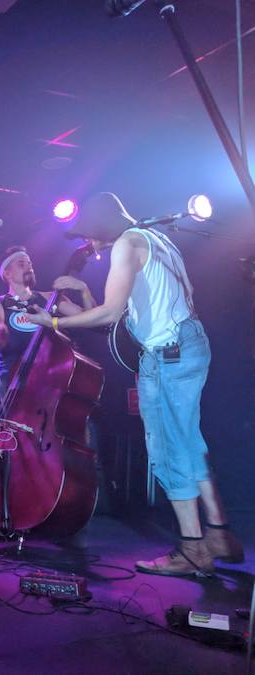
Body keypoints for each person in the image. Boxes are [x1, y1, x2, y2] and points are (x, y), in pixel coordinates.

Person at [24, 192, 244, 576]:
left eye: (89, 235)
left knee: (168, 449)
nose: (89, 245)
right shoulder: (156, 238)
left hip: (168, 356)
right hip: (188, 344)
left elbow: (110, 312)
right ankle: (220, 533)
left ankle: (193, 548)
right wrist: (71, 306)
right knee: (191, 444)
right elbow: (124, 316)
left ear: (100, 228)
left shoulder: (125, 244)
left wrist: (54, 324)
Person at [0, 245, 97, 401]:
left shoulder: (50, 298)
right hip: (14, 386)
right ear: (7, 274)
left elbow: (92, 318)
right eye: (21, 264)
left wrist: (84, 289)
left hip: (51, 382)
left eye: (30, 263)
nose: (29, 266)